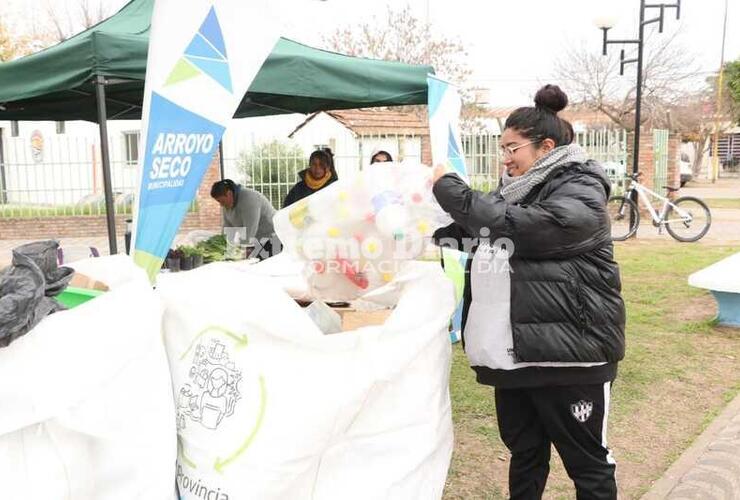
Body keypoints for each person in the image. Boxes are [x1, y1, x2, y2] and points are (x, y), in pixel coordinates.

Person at [431, 84, 625, 499]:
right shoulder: (514, 193)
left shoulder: (581, 190)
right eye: (502, 148)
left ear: (546, 147)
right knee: (525, 454)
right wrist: (417, 228)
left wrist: (452, 191)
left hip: (569, 354)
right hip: (513, 354)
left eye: (512, 147)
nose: (505, 157)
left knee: (587, 463)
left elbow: (524, 229)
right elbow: (481, 235)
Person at [210, 179, 279, 258]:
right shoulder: (227, 206)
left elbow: (250, 229)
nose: (221, 205)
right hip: (256, 240)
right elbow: (228, 229)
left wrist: (240, 253)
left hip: (273, 239)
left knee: (266, 266)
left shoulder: (249, 199)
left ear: (229, 194)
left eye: (221, 201)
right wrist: (223, 248)